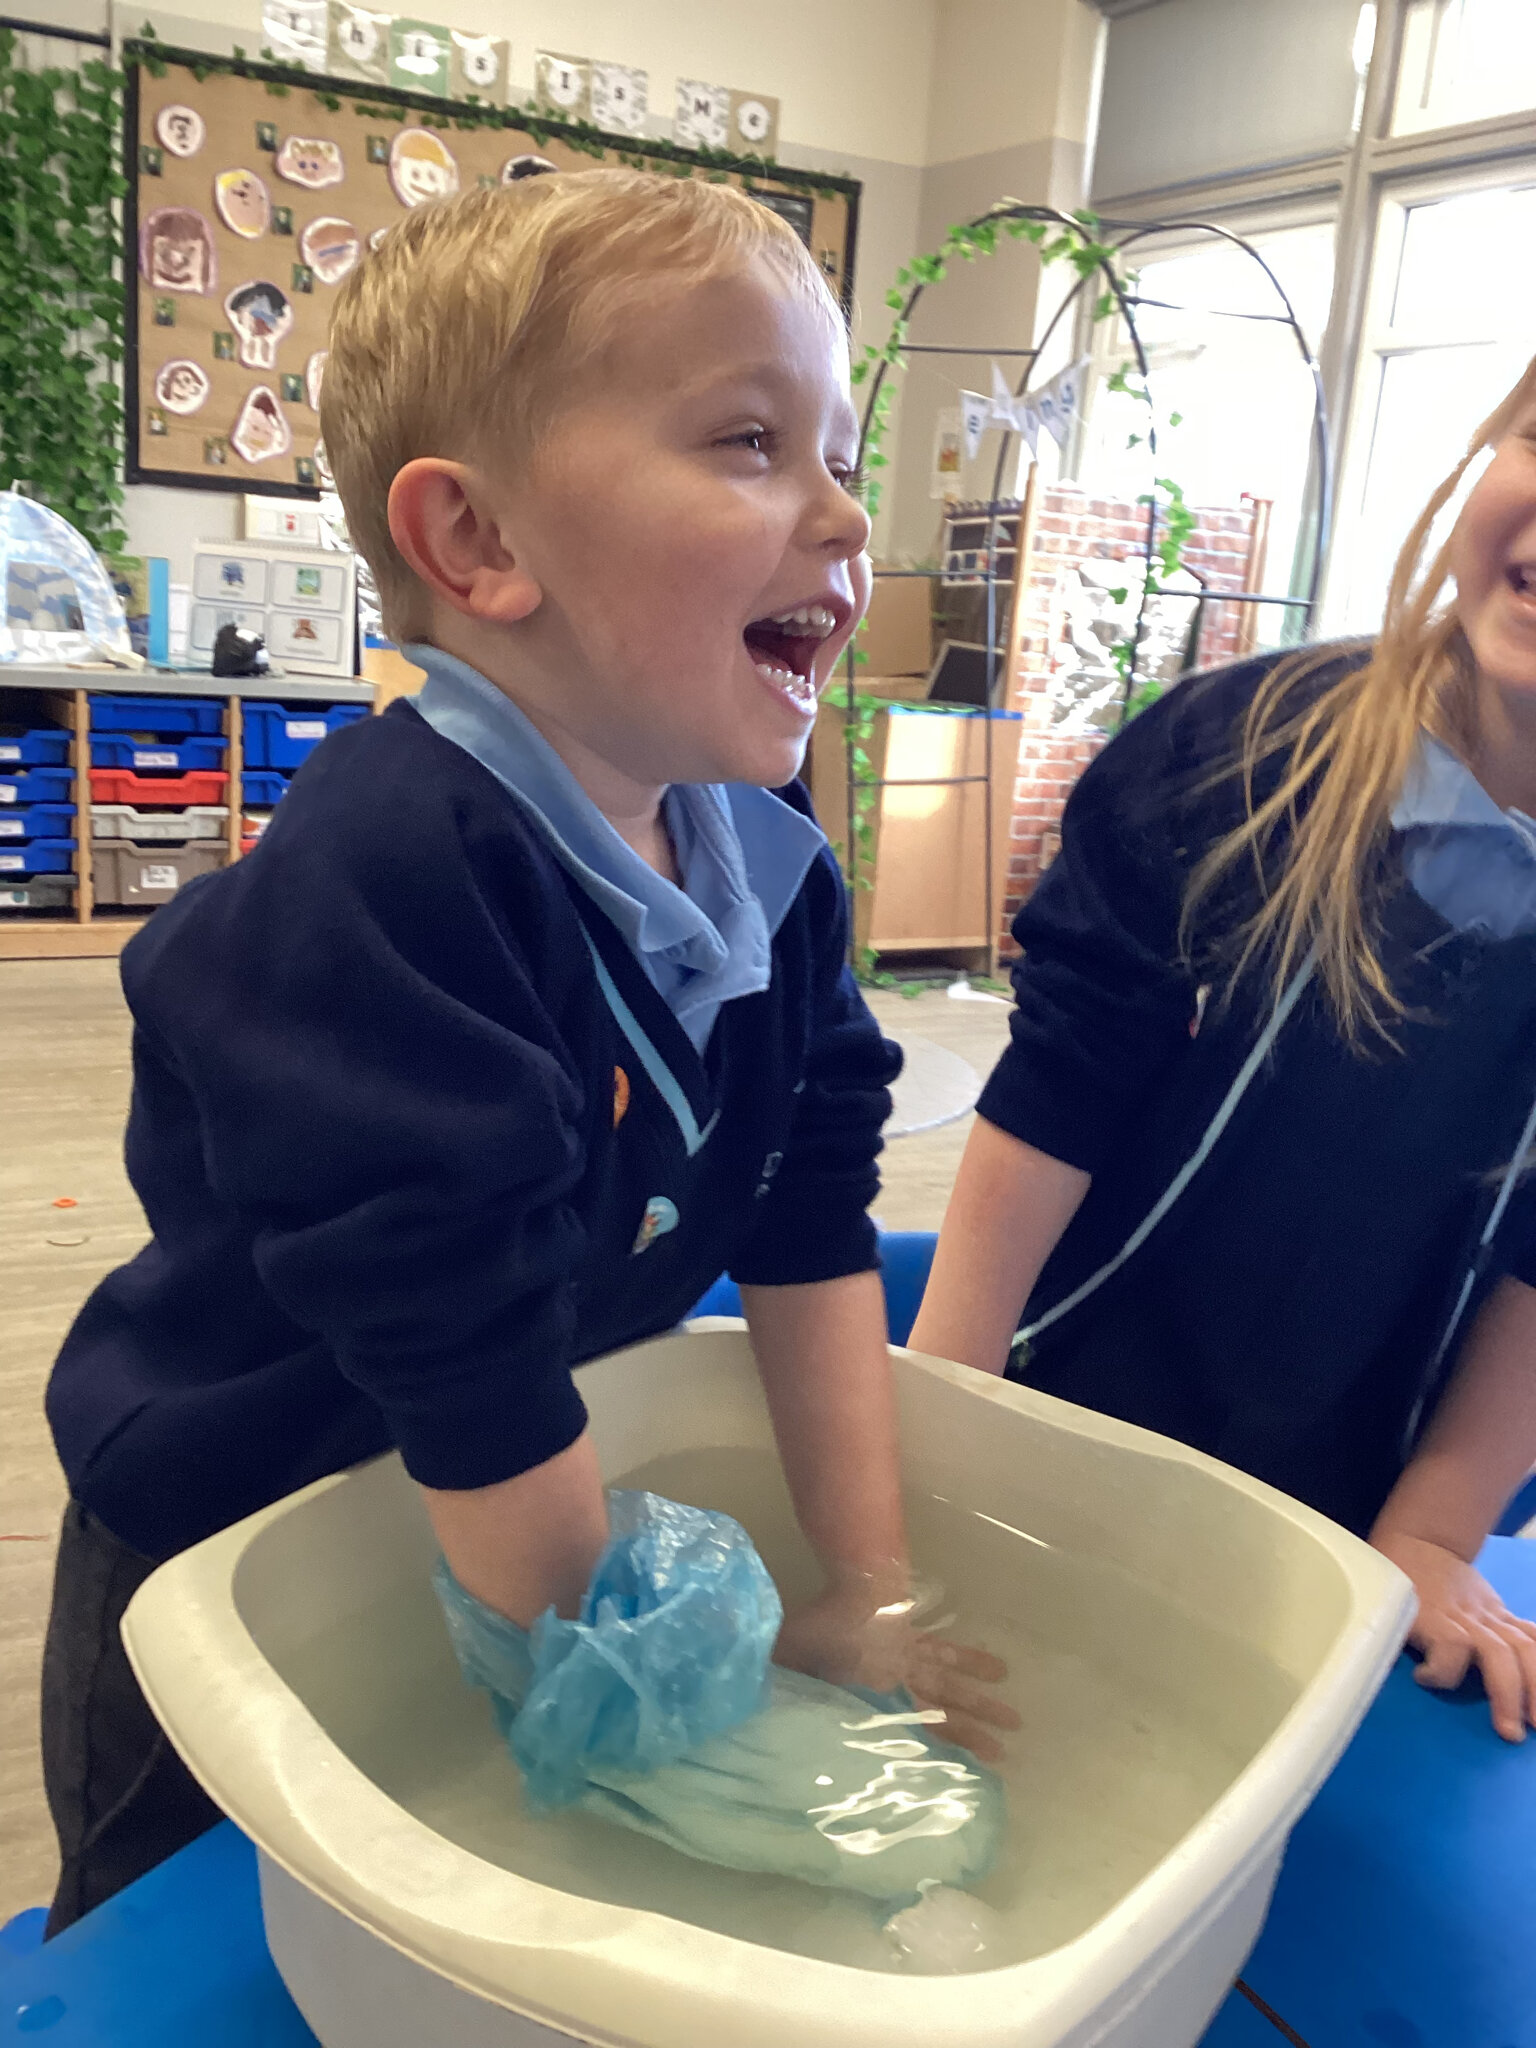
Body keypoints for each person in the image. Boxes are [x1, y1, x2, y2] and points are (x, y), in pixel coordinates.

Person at [40, 170, 1013, 1933]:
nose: (849, 516)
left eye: (839, 447)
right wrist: (657, 1729)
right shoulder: (393, 874)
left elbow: (808, 1215)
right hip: (246, 1532)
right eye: (747, 442)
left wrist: (864, 1582)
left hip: (509, 1487)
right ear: (479, 546)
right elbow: (459, 1344)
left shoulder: (760, 856)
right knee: (181, 1932)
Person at [911, 354, 1536, 1744]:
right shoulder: (1233, 757)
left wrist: (1434, 1537)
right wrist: (939, 1428)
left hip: (1343, 1503)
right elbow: (1055, 1096)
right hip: (1063, 1414)